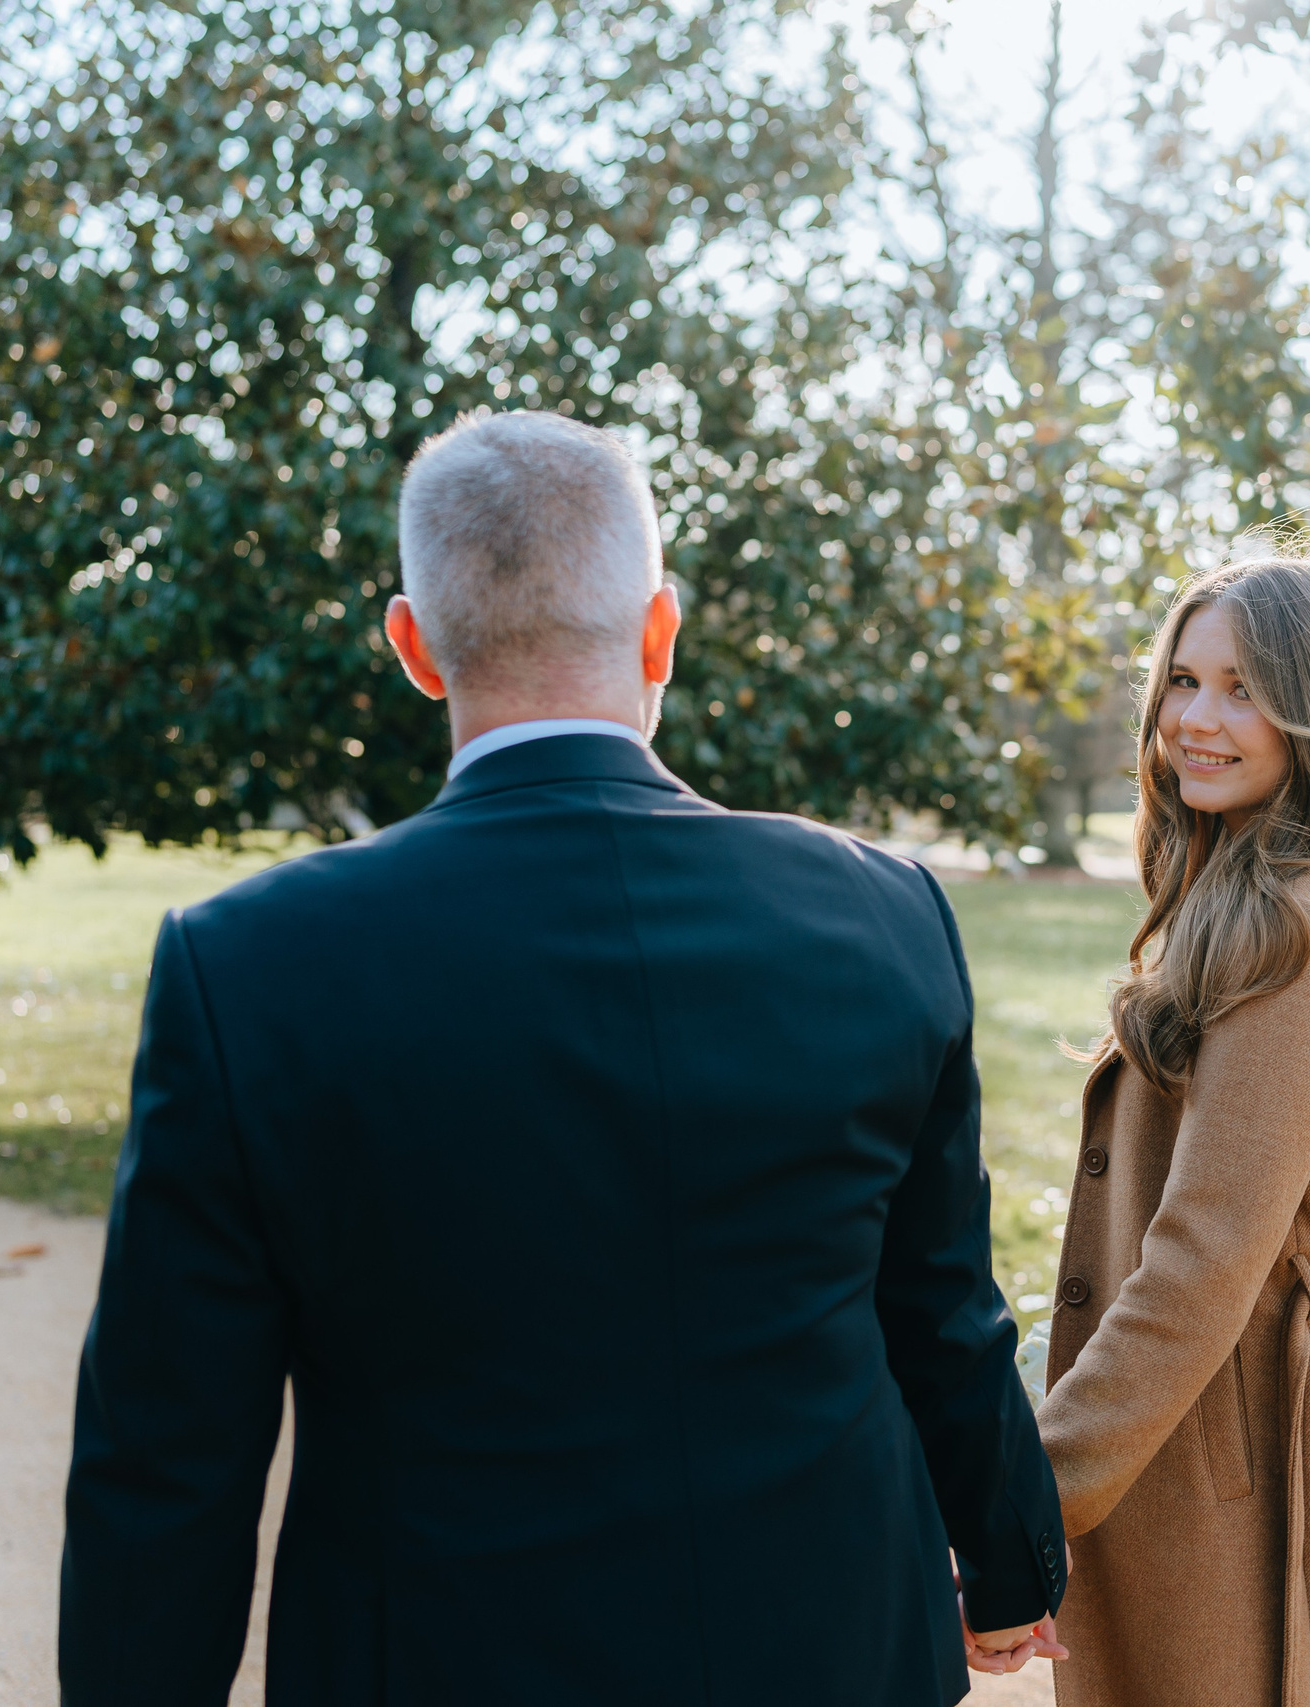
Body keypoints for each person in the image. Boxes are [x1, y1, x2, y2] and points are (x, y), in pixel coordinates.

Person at [59, 409, 1065, 1705]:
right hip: (832, 1648)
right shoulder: (883, 912)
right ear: (661, 631)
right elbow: (940, 1306)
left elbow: (166, 1450)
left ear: (414, 648)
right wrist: (1008, 1556)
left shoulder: (249, 964)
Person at [1036, 553, 1310, 1707]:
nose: (1195, 721)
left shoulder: (1301, 939)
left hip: (1252, 1455)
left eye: (1242, 690)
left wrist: (1033, 1497)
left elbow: (1202, 1265)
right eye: (1182, 681)